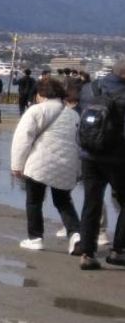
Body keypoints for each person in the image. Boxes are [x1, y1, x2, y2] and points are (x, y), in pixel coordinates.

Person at [10, 75, 81, 253]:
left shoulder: (36, 110)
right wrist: (78, 169)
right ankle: (76, 234)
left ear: (41, 94)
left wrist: (17, 165)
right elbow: (79, 142)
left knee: (34, 201)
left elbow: (22, 139)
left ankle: (35, 238)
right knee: (63, 201)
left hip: (39, 162)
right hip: (67, 162)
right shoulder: (73, 115)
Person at [75, 58, 125, 270]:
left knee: (91, 202)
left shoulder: (90, 88)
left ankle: (87, 253)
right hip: (118, 156)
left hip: (89, 154)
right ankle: (118, 250)